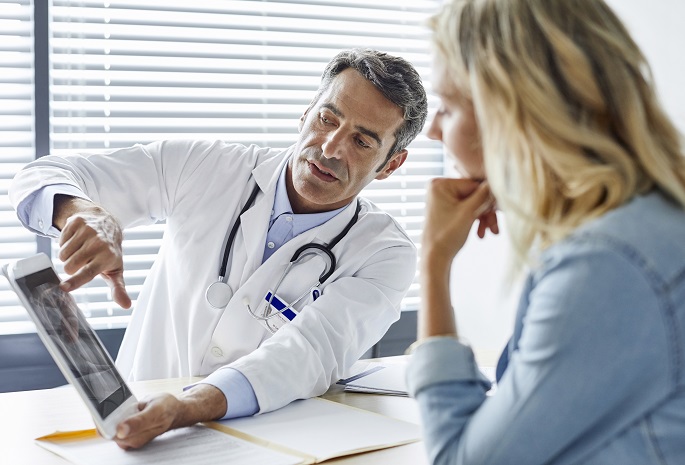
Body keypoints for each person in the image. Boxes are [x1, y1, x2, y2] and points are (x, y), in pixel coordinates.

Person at [10, 48, 428, 448]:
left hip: (263, 445)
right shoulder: (204, 167)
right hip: (132, 430)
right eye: (326, 119)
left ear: (390, 164)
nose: (331, 148)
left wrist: (188, 407)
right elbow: (42, 174)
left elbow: (310, 353)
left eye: (362, 142)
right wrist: (85, 213)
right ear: (305, 113)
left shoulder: (385, 253)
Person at [406, 0, 685, 463]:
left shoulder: (608, 265)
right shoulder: (644, 225)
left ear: (516, 113)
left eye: (448, 108)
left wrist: (434, 262)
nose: (433, 131)